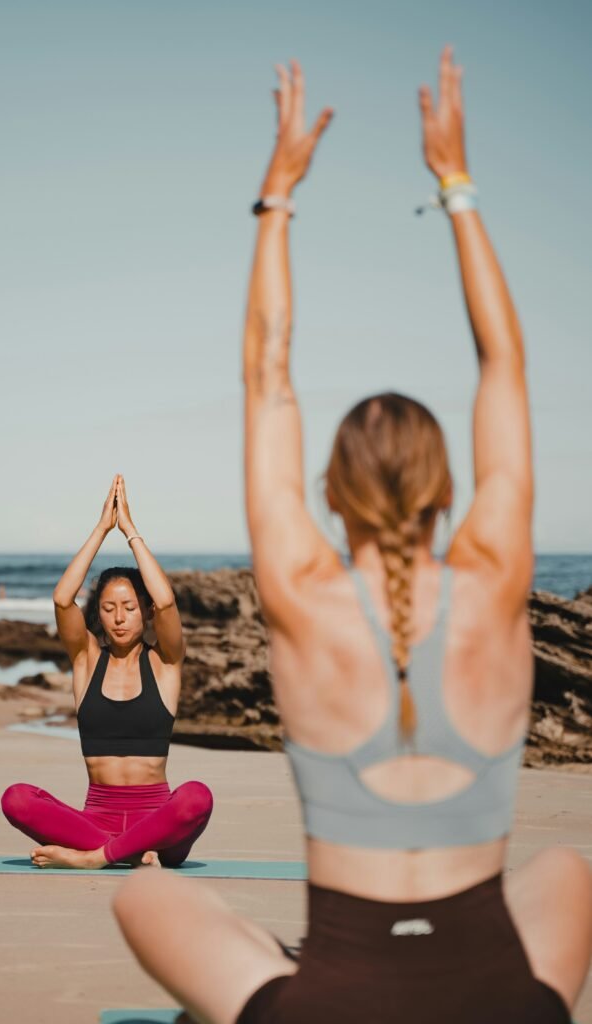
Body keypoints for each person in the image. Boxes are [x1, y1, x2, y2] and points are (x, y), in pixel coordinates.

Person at [112, 49, 591, 1022]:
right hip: (498, 1000)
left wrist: (275, 200)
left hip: (328, 1004)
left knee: (145, 890)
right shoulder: (497, 578)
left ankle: (275, 965)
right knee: (567, 867)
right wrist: (455, 183)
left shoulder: (300, 590)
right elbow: (505, 364)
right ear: (449, 488)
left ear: (328, 491)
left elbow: (268, 377)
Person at [1, 474, 213, 869]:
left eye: (130, 608)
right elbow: (63, 598)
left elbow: (167, 603)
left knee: (197, 796)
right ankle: (120, 852)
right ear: (96, 613)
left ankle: (97, 858)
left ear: (145, 612)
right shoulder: (86, 660)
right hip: (94, 820)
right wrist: (101, 529)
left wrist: (130, 531)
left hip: (159, 826)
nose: (119, 618)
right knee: (16, 797)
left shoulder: (165, 662)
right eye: (109, 608)